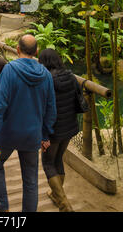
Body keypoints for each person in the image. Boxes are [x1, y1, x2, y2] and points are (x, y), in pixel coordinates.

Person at [0, 34, 57, 212]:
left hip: (5, 136)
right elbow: (51, 109)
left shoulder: (9, 70)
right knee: (31, 179)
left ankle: (2, 208)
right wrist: (45, 135)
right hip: (32, 138)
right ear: (36, 52)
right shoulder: (46, 75)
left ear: (17, 49)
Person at [38, 48, 80, 212]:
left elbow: (43, 107)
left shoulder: (46, 80)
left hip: (52, 131)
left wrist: (43, 133)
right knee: (58, 160)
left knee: (48, 163)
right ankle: (56, 194)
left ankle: (64, 204)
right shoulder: (70, 75)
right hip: (69, 127)